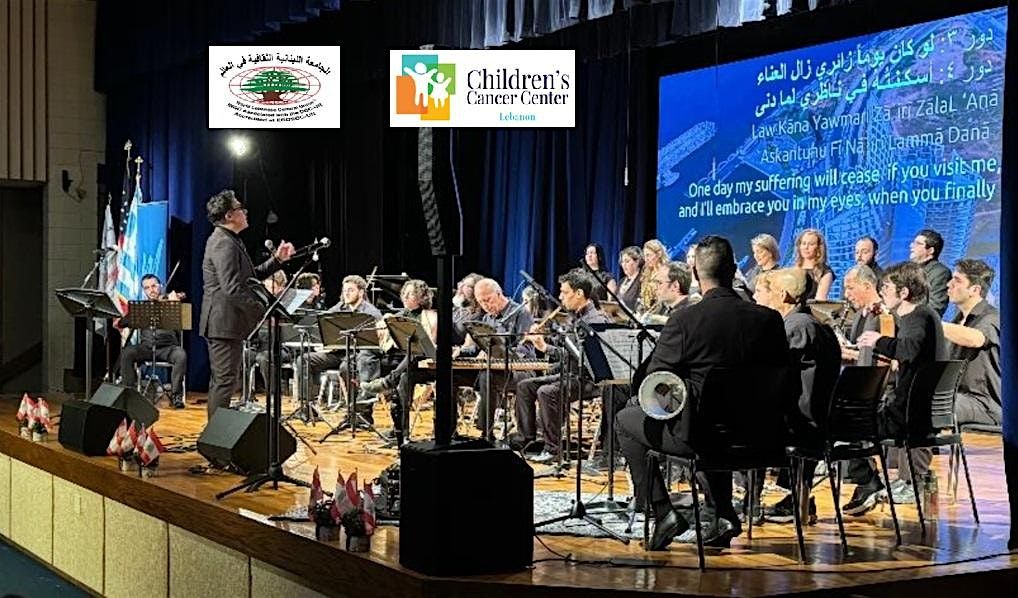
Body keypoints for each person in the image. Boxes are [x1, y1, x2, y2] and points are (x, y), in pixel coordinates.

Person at [616, 235, 789, 550]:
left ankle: (663, 511)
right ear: (734, 270)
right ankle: (723, 514)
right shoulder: (770, 319)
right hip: (764, 439)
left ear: (695, 274)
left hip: (705, 439)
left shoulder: (685, 320)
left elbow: (652, 381)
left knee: (625, 419)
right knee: (715, 413)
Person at [847, 261, 946, 513]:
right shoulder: (924, 316)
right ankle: (882, 482)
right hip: (915, 411)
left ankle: (868, 482)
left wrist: (878, 340)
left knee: (847, 425)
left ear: (903, 293)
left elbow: (908, 349)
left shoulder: (919, 317)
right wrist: (884, 313)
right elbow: (910, 339)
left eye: (887, 288)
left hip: (909, 414)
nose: (882, 292)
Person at [754, 269, 840, 522]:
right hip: (818, 421)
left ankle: (745, 504)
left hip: (802, 425)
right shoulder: (817, 325)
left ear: (783, 295)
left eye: (761, 291)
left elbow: (773, 377)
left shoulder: (796, 327)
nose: (756, 298)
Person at [199, 190, 294, 419]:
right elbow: (232, 288)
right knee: (224, 382)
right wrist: (264, 312)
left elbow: (251, 277)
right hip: (223, 323)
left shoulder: (231, 240)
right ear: (230, 215)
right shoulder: (223, 243)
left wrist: (277, 260)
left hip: (228, 322)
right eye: (241, 208)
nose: (246, 211)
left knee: (225, 381)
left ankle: (217, 433)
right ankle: (216, 435)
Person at [514, 270, 610, 463]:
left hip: (588, 379)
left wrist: (545, 347)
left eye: (565, 292)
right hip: (571, 374)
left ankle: (553, 450)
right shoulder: (576, 317)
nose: (560, 297)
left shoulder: (595, 321)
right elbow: (567, 350)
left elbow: (582, 358)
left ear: (579, 293)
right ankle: (528, 440)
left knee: (547, 392)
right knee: (525, 386)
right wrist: (544, 342)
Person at [296, 275, 383, 427]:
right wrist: (324, 343)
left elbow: (375, 343)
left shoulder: (371, 312)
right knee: (304, 359)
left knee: (346, 367)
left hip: (358, 354)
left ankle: (357, 413)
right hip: (338, 352)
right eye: (344, 290)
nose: (346, 294)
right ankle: (308, 408)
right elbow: (323, 322)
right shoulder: (340, 307)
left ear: (361, 292)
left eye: (351, 290)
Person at [457, 278, 536, 436]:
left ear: (499, 294)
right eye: (481, 302)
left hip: (522, 371)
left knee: (487, 376)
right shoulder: (488, 318)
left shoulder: (521, 313)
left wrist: (500, 353)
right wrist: (461, 351)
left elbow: (525, 349)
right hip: (493, 369)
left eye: (488, 300)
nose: (485, 305)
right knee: (451, 375)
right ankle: (449, 432)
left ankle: (486, 433)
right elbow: (479, 347)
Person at [943, 259, 1001, 427]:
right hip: (956, 397)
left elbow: (975, 339)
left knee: (927, 405)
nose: (949, 284)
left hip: (984, 404)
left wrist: (933, 323)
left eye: (957, 280)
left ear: (974, 290)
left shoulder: (992, 317)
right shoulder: (956, 322)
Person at [119, 274, 187, 409]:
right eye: (147, 288)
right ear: (144, 291)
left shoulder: (171, 304)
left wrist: (175, 305)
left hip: (168, 348)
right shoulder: (142, 308)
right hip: (146, 348)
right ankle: (129, 393)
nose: (151, 290)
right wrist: (134, 315)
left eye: (154, 286)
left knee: (181, 355)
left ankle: (176, 396)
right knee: (127, 353)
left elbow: (185, 322)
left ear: (161, 286)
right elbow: (122, 323)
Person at [840, 264, 888, 366]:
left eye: (850, 288)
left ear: (867, 286)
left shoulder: (885, 314)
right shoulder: (858, 315)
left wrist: (852, 354)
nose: (846, 295)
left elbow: (887, 359)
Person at [909, 229, 951, 316]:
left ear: (930, 250)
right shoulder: (908, 268)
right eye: (913, 242)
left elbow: (935, 308)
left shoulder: (941, 273)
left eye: (918, 243)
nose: (911, 246)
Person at [793, 228, 834, 300]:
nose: (806, 247)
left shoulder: (825, 272)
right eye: (804, 243)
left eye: (811, 244)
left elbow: (819, 300)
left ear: (818, 248)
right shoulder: (794, 270)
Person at [639, 239, 670, 313]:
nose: (646, 259)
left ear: (659, 254)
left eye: (648, 255)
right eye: (645, 256)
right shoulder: (647, 273)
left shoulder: (667, 272)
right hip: (646, 312)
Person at [616, 246, 644, 313]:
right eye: (622, 262)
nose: (624, 265)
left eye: (627, 261)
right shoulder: (621, 281)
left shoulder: (642, 280)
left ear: (637, 262)